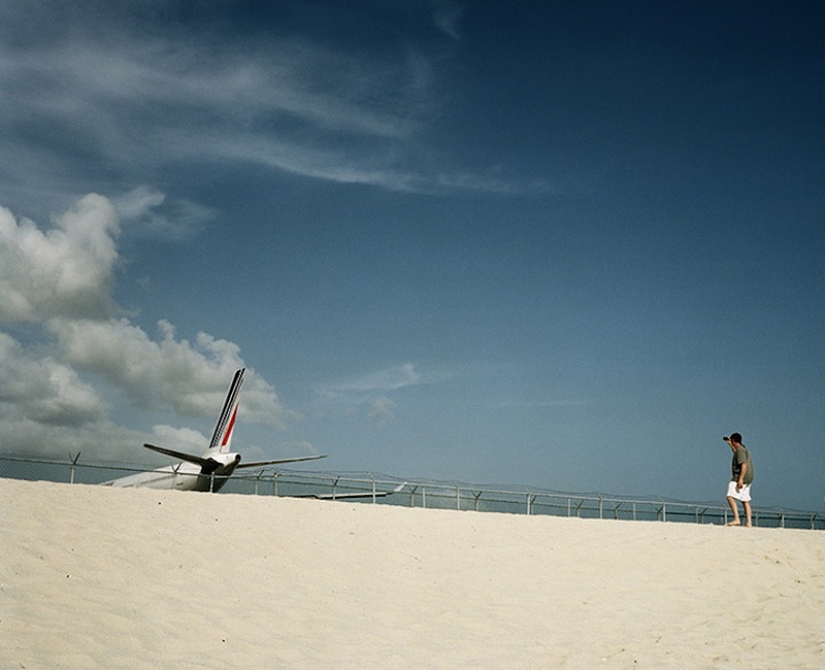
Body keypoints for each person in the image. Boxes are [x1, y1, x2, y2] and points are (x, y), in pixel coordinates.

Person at [723, 433, 754, 527]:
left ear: (733, 440)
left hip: (741, 477)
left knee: (729, 496)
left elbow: (744, 464)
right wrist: (729, 444)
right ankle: (749, 522)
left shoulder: (740, 451)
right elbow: (736, 453)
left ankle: (737, 519)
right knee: (745, 499)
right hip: (749, 477)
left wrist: (740, 479)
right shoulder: (743, 449)